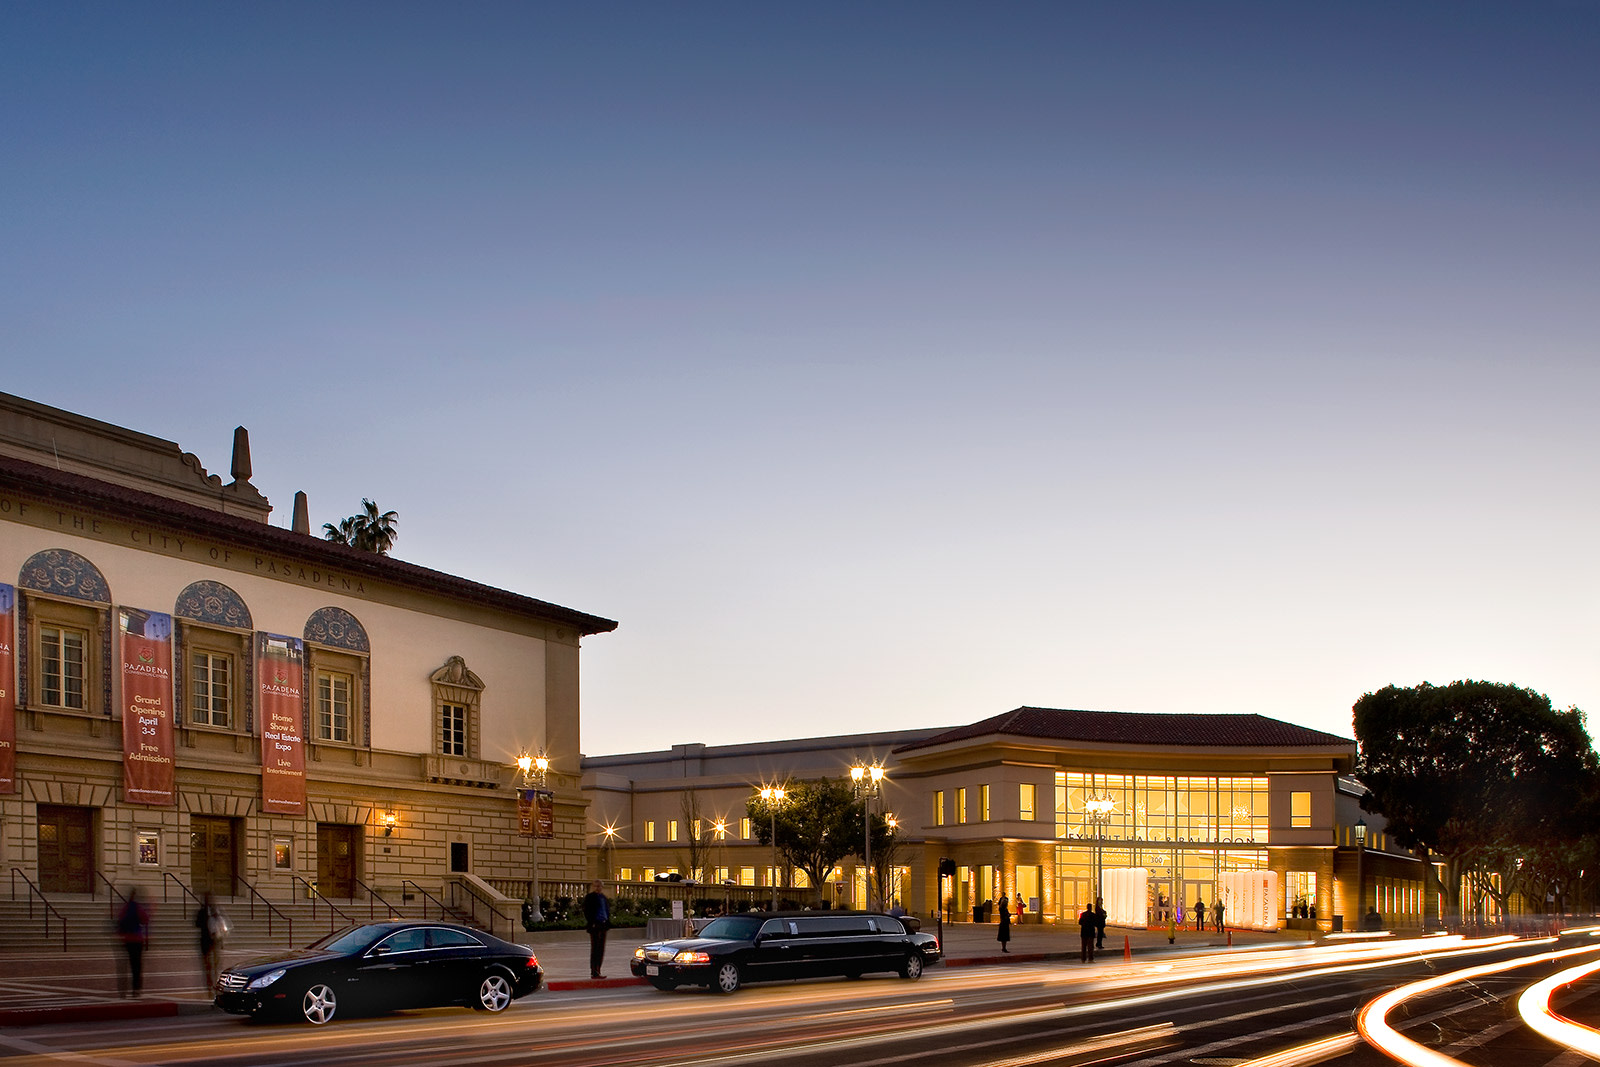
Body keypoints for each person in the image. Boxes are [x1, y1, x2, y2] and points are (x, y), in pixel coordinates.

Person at [116, 888, 150, 997]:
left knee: (125, 965)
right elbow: (145, 919)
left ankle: (123, 990)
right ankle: (136, 989)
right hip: (137, 939)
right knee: (136, 966)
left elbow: (120, 920)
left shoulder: (125, 908)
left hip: (127, 939)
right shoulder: (138, 907)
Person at [194, 893, 228, 990]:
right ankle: (212, 981)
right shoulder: (210, 912)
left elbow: (197, 924)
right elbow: (198, 923)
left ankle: (213, 981)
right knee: (212, 963)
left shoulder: (209, 912)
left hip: (210, 940)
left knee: (212, 963)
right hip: (210, 940)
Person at [582, 880, 611, 979]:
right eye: (596, 886)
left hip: (603, 925)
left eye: (599, 886)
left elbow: (607, 911)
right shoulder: (590, 897)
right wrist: (592, 922)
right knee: (595, 949)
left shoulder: (604, 898)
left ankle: (598, 969)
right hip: (595, 925)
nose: (597, 888)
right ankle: (594, 971)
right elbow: (587, 911)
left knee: (601, 949)